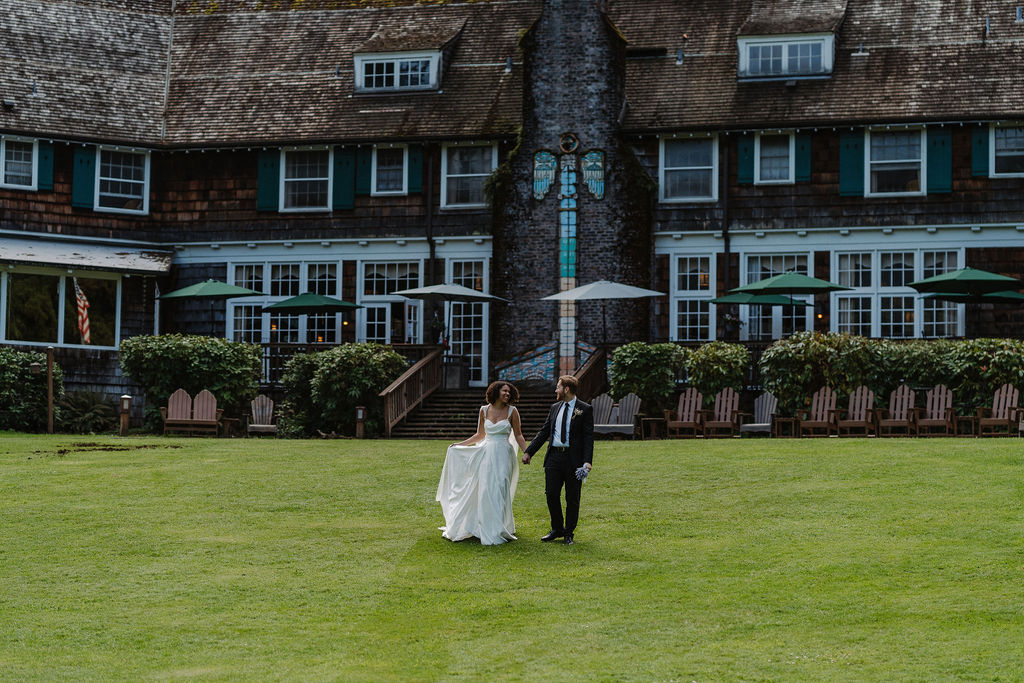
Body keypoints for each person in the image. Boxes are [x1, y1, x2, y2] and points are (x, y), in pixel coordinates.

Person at [436, 381, 529, 545]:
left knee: (500, 488)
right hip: (486, 453)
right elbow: (479, 435)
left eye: (509, 392)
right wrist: (460, 445)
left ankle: (498, 527)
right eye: (504, 391)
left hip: (503, 455)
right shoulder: (484, 410)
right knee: (486, 489)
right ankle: (484, 526)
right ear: (496, 392)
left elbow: (519, 435)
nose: (507, 394)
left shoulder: (513, 411)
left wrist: (526, 451)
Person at [523, 375, 594, 545]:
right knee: (551, 494)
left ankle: (569, 532)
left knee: (572, 497)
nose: (556, 390)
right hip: (554, 457)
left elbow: (588, 438)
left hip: (574, 459)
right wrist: (529, 452)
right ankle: (557, 529)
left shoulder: (584, 409)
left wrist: (587, 461)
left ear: (566, 389)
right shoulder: (555, 407)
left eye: (558, 387)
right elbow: (544, 431)